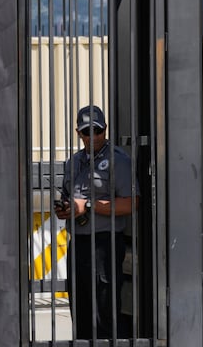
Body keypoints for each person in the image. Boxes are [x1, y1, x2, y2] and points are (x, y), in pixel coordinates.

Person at [55, 105, 138, 339]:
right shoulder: (74, 163)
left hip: (105, 244)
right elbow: (69, 197)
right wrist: (67, 210)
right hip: (78, 243)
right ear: (78, 133)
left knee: (105, 309)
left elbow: (131, 203)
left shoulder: (118, 161)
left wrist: (89, 206)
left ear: (105, 130)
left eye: (97, 131)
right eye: (86, 132)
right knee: (80, 308)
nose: (93, 137)